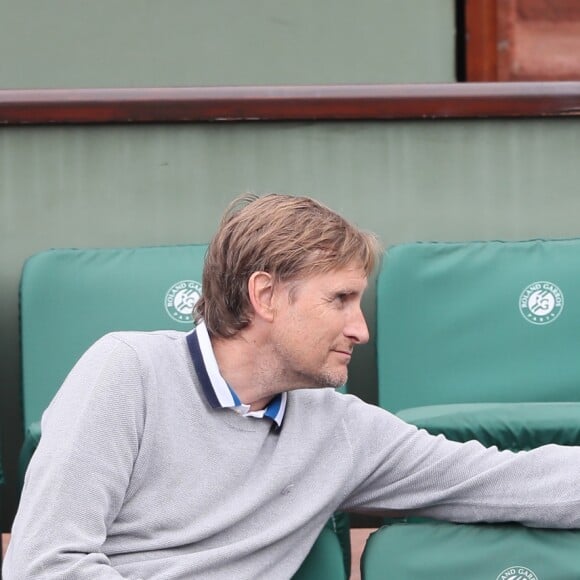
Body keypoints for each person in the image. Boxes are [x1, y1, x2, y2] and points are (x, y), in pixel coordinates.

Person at [4, 193, 580, 579]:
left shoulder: (340, 427)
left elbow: (507, 480)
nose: (361, 328)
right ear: (265, 296)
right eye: (340, 300)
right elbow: (45, 565)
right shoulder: (125, 370)